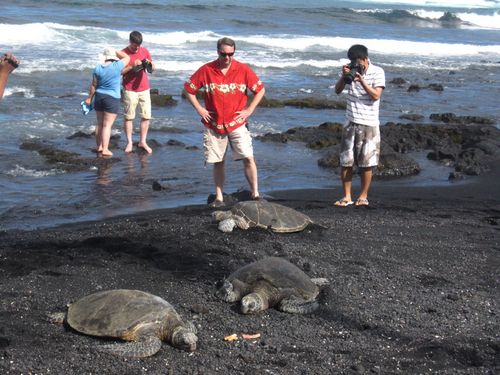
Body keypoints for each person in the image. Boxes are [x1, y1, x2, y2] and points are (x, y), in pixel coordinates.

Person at [184, 37, 266, 207]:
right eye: (223, 54)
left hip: (237, 122)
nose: (227, 58)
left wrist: (249, 110)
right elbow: (189, 90)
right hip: (214, 124)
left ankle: (255, 194)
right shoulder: (206, 70)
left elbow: (260, 89)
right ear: (218, 52)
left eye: (231, 54)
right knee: (218, 161)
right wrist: (200, 109)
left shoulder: (243, 70)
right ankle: (219, 197)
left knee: (248, 157)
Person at [334, 44, 385, 207]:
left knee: (366, 163)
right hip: (350, 121)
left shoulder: (378, 71)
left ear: (365, 58)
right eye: (352, 62)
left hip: (369, 123)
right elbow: (337, 90)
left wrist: (362, 81)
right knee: (345, 162)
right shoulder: (349, 70)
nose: (356, 65)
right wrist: (344, 77)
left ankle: (363, 196)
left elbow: (376, 95)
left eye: (358, 62)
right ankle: (347, 196)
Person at [85, 47, 130, 157]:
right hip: (112, 98)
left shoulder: (98, 68)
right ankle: (105, 149)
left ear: (104, 58)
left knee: (100, 123)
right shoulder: (117, 65)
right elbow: (127, 57)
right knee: (107, 125)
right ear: (113, 57)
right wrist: (116, 51)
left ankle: (99, 146)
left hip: (99, 96)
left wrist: (89, 98)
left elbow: (93, 85)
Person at [121, 31, 155, 154]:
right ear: (130, 42)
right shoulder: (123, 53)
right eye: (135, 45)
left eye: (139, 45)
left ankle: (142, 141)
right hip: (130, 89)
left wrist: (150, 64)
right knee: (129, 117)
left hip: (144, 88)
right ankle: (129, 142)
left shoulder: (144, 51)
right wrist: (131, 66)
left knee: (146, 116)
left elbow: (153, 68)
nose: (137, 48)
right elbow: (119, 72)